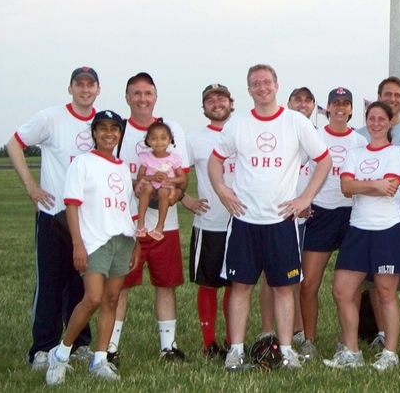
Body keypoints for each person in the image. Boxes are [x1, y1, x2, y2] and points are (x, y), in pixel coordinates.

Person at [208, 64, 331, 371]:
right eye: (255, 83)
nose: (261, 87)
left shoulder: (295, 122)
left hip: (281, 221)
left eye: (266, 82)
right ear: (249, 90)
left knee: (283, 288)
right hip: (245, 220)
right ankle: (235, 352)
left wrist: (305, 198)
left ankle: (287, 351)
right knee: (241, 287)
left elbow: (324, 160)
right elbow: (215, 161)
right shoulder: (237, 124)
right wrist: (222, 190)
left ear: (277, 85)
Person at [7, 67, 100, 370]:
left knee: (80, 286)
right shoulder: (52, 118)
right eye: (79, 84)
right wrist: (32, 188)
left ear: (98, 89)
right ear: (70, 88)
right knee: (49, 284)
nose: (85, 90)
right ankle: (42, 349)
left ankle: (76, 345)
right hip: (53, 216)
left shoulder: (104, 124)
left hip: (86, 221)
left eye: (90, 85)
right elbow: (14, 144)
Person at [45, 110, 139, 385]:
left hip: (122, 240)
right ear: (94, 133)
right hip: (95, 241)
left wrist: (136, 244)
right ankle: (60, 354)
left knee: (111, 300)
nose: (109, 133)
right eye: (103, 128)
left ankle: (100, 358)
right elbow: (72, 204)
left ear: (120, 134)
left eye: (114, 129)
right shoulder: (83, 163)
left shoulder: (122, 167)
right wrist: (78, 244)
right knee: (93, 298)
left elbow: (129, 209)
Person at [323, 101, 400, 371]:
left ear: (390, 121)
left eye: (381, 118)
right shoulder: (355, 152)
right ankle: (351, 351)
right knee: (342, 291)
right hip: (358, 228)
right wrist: (375, 183)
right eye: (371, 118)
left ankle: (390, 353)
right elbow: (346, 187)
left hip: (388, 229)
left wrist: (366, 185)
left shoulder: (397, 153)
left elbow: (391, 188)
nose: (375, 123)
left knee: (385, 293)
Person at [110, 72, 190, 365]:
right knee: (119, 286)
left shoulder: (173, 130)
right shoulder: (117, 130)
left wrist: (167, 194)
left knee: (165, 284)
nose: (142, 99)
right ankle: (110, 347)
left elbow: (183, 181)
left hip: (164, 225)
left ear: (155, 96)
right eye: (136, 93)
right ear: (128, 97)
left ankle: (168, 347)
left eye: (147, 93)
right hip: (125, 223)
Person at [299, 87, 368, 359]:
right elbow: (298, 170)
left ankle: (345, 339)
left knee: (353, 286)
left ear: (351, 110)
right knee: (309, 283)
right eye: (335, 103)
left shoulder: (360, 142)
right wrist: (303, 201)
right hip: (321, 212)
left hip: (352, 214)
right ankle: (309, 340)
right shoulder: (314, 137)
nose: (340, 107)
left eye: (345, 103)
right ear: (327, 107)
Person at [357, 77, 400, 354]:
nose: (392, 99)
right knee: (374, 282)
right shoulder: (361, 133)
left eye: (397, 95)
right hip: (369, 221)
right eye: (387, 94)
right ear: (378, 95)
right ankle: (382, 333)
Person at [258, 87, 316, 345]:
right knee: (270, 277)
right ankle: (268, 330)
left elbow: (322, 170)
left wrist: (307, 201)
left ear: (314, 105)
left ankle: (297, 330)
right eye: (297, 99)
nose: (302, 104)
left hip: (306, 218)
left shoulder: (315, 134)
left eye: (307, 100)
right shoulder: (277, 130)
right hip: (277, 215)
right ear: (289, 102)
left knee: (296, 276)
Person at [182, 84, 236, 359]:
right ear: (204, 107)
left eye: (221, 98)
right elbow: (173, 173)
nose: (216, 103)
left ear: (231, 102)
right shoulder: (194, 139)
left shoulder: (243, 130)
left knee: (236, 284)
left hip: (241, 223)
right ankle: (209, 344)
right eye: (210, 100)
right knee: (209, 284)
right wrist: (186, 199)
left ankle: (232, 341)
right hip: (210, 223)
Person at [135, 120, 186, 241]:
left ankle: (160, 226)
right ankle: (141, 224)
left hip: (165, 188)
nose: (158, 142)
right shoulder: (146, 157)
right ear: (148, 141)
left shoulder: (173, 158)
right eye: (154, 138)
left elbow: (182, 178)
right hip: (150, 186)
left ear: (170, 140)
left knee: (163, 192)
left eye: (163, 138)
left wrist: (168, 179)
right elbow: (140, 177)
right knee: (146, 188)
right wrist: (152, 178)